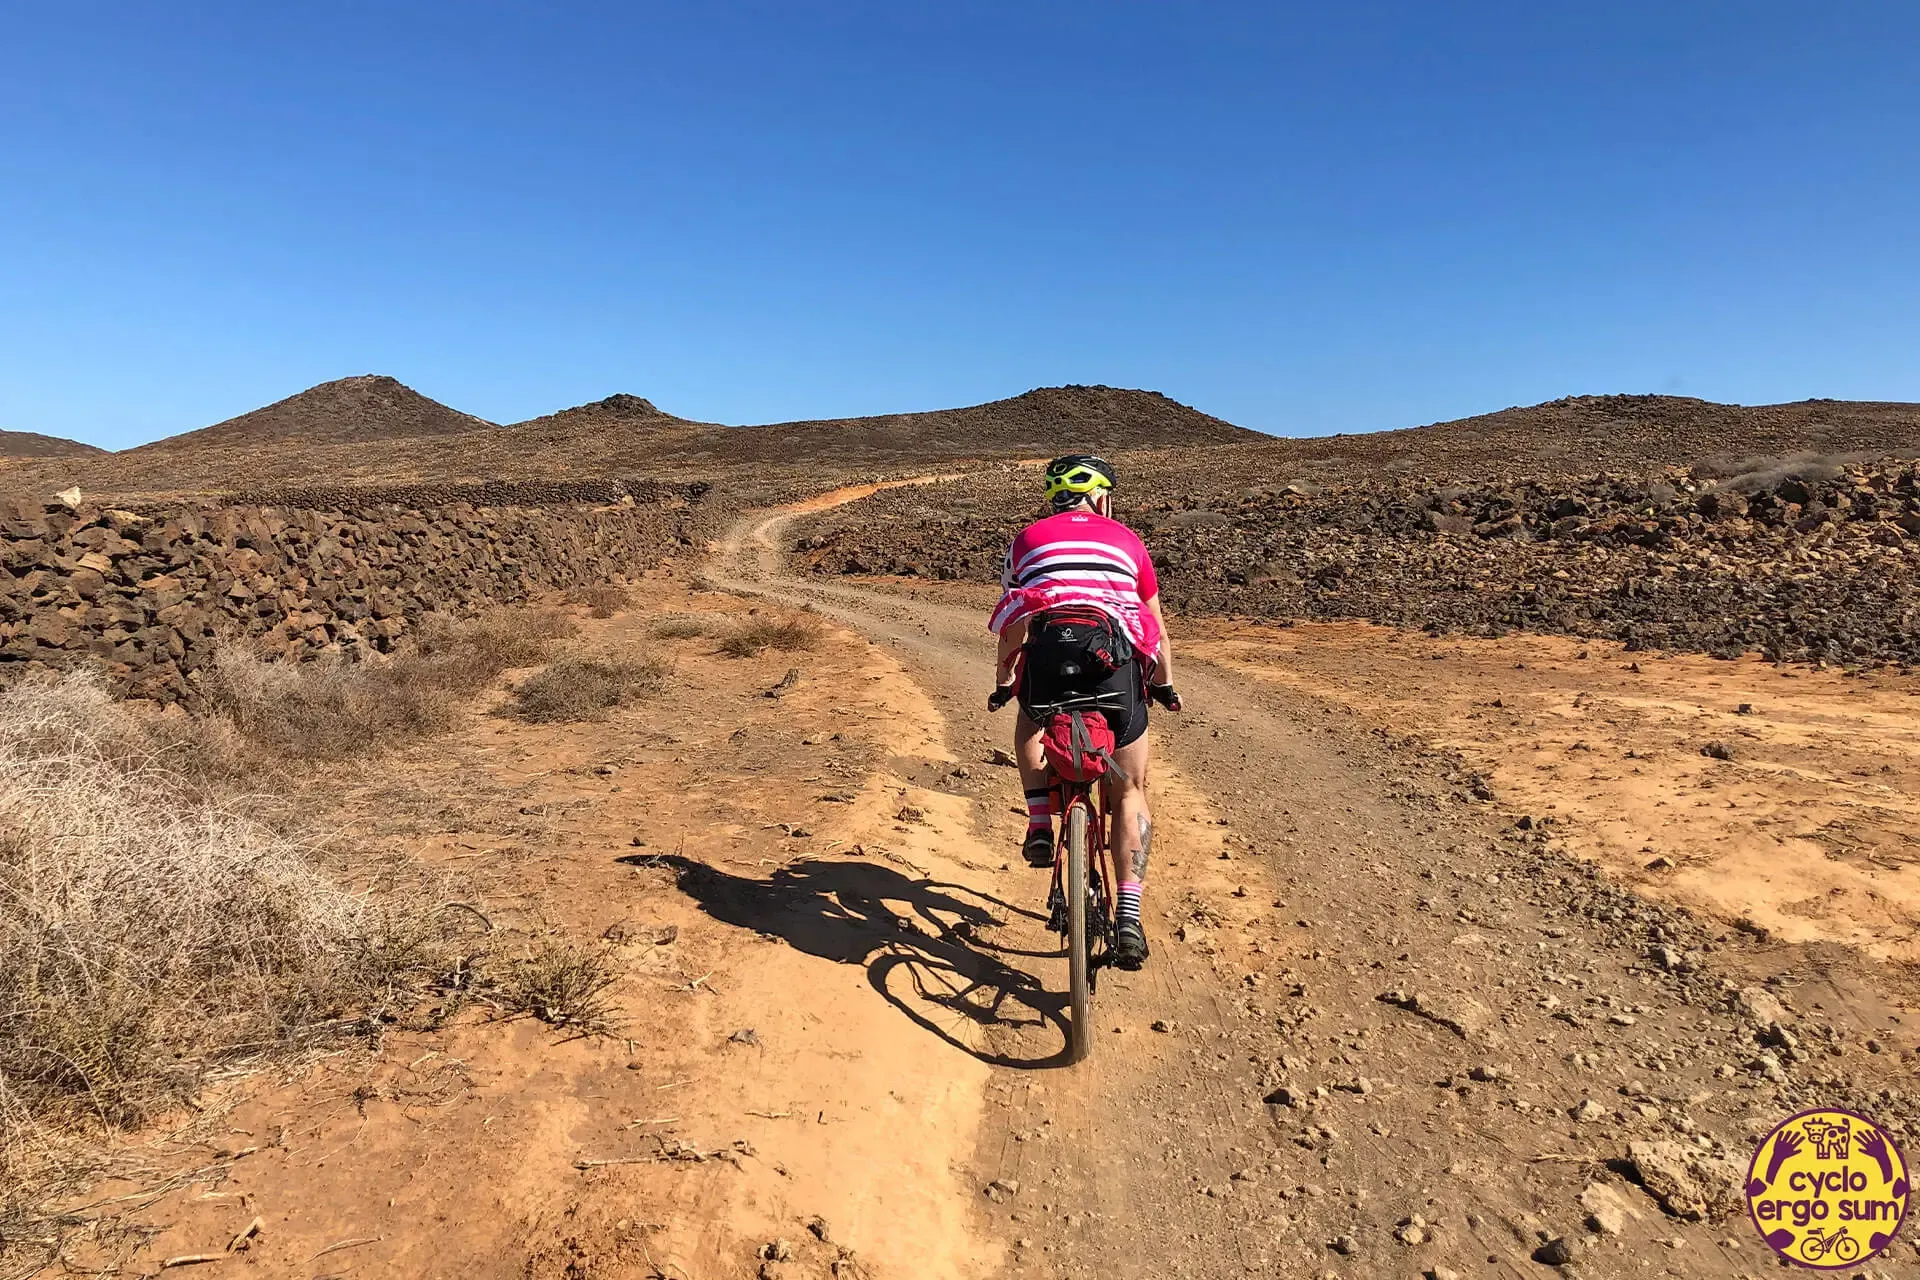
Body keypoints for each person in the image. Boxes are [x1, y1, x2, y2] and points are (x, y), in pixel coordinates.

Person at [986, 454, 1180, 970]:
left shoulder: (1025, 541)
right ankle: (1131, 917)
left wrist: (1005, 681)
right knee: (1131, 789)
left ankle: (1040, 823)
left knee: (1029, 718)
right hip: (1113, 676)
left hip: (1050, 667)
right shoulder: (1129, 542)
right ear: (1100, 496)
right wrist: (1164, 685)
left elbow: (1016, 621)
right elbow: (1153, 627)